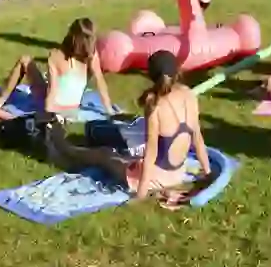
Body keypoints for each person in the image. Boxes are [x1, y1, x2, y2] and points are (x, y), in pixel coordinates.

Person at [44, 49, 211, 200]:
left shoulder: (155, 104)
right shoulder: (189, 95)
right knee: (125, 156)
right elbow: (197, 139)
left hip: (158, 177)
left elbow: (151, 152)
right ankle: (68, 149)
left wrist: (141, 193)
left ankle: (65, 149)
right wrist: (207, 172)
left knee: (104, 154)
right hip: (178, 173)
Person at [0, 17, 114, 119]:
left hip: (56, 106)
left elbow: (50, 100)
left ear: (72, 36)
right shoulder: (92, 56)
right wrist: (109, 110)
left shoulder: (56, 56)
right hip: (74, 104)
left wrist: (51, 112)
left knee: (25, 60)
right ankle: (1, 99)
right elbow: (101, 83)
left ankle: (0, 101)